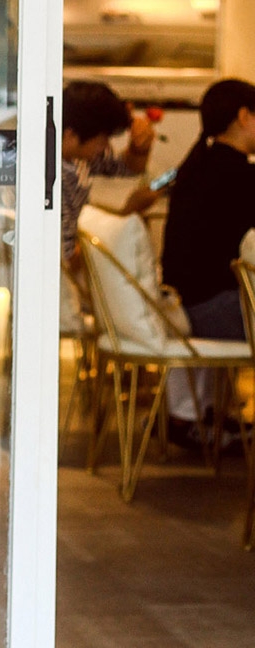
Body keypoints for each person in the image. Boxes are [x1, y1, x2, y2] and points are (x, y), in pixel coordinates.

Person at [160, 78, 255, 437]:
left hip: (188, 302)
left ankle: (206, 412)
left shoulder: (198, 166)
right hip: (212, 309)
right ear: (244, 116)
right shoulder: (238, 175)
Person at [61, 80, 158, 270]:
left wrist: (140, 147)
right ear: (70, 135)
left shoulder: (79, 158)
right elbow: (65, 259)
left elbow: (128, 168)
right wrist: (126, 213)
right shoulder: (51, 178)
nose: (106, 146)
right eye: (103, 139)